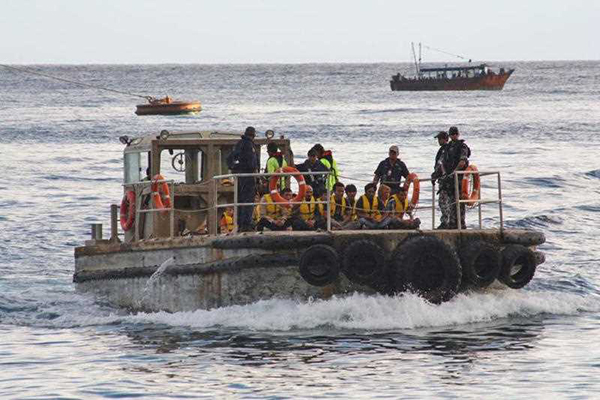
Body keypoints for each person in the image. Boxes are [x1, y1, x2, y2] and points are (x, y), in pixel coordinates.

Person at [227, 126, 259, 232]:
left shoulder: (239, 144)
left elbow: (230, 158)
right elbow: (252, 163)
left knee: (240, 200)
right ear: (253, 135)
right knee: (248, 200)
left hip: (240, 176)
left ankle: (240, 223)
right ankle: (246, 224)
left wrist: (234, 168)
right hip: (248, 176)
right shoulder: (249, 145)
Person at [443, 126, 471, 229]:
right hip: (450, 179)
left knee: (460, 202)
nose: (454, 135)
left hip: (459, 178)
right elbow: (443, 162)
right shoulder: (447, 147)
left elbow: (462, 161)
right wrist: (445, 174)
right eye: (452, 134)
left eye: (455, 134)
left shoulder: (462, 146)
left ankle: (461, 223)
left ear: (458, 134)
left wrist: (454, 172)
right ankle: (452, 223)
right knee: (451, 201)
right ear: (449, 135)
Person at [431, 131, 450, 229]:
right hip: (448, 179)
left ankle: (445, 222)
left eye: (440, 139)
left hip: (445, 179)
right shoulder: (449, 149)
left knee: (443, 201)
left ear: (445, 139)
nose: (438, 141)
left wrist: (435, 175)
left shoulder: (444, 150)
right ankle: (451, 221)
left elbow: (440, 164)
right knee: (448, 201)